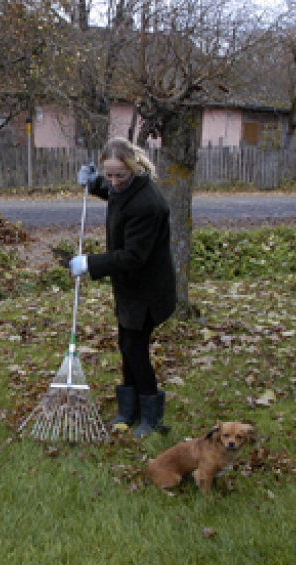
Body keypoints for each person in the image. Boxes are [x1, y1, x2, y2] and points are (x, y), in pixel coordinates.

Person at [70, 138, 177, 437]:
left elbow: (133, 256)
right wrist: (93, 184)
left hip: (149, 291)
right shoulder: (126, 189)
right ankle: (128, 412)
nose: (114, 181)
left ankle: (150, 418)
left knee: (134, 348)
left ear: (134, 168)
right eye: (109, 174)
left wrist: (89, 263)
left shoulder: (148, 204)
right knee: (127, 346)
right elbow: (115, 194)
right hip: (130, 287)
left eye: (120, 175)